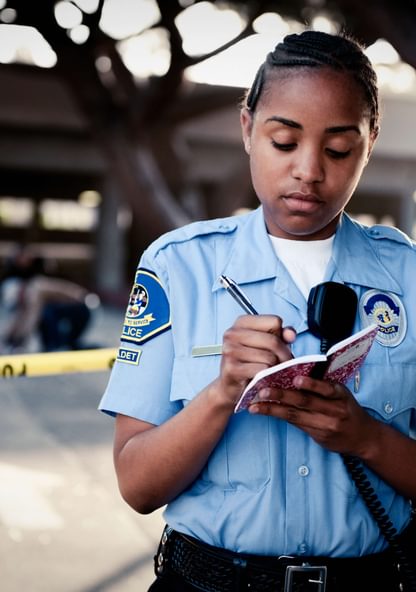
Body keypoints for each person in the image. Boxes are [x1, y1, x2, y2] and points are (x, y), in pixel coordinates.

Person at [99, 30, 416, 592]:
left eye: (339, 148)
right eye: (284, 142)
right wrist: (222, 393)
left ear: (370, 142)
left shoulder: (407, 277)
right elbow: (138, 486)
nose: (309, 171)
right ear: (247, 129)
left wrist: (366, 437)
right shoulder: (179, 266)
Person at [1, 245, 98, 352]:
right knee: (35, 295)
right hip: (23, 295)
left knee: (38, 292)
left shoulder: (38, 265)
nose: (25, 259)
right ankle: (17, 340)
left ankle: (17, 340)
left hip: (40, 297)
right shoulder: (12, 273)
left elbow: (51, 280)